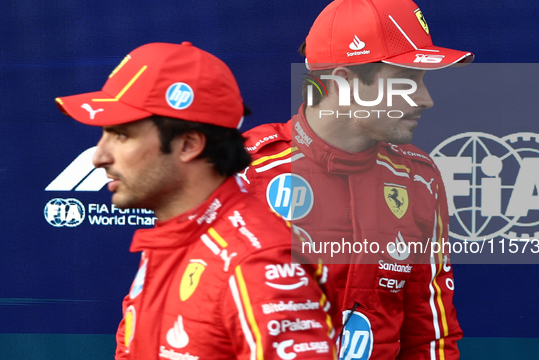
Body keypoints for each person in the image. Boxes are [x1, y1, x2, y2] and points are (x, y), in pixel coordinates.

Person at [54, 41, 338, 360]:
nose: (99, 156)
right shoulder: (173, 239)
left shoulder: (257, 263)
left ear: (188, 144)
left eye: (121, 134)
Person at [241, 0, 473, 359]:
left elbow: (430, 338)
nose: (426, 99)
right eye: (408, 81)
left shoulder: (420, 179)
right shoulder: (241, 173)